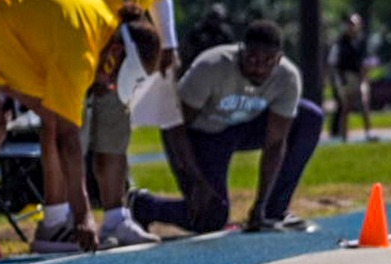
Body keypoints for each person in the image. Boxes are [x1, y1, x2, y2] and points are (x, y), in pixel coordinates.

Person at [0, 0, 159, 264]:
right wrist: (83, 215)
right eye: (114, 77)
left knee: (45, 116)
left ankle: (52, 224)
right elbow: (67, 139)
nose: (109, 85)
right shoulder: (82, 49)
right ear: (115, 53)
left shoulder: (96, 18)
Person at [41, 0, 178, 250]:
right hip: (76, 53)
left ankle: (116, 217)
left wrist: (168, 43)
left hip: (122, 57)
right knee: (67, 136)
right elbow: (56, 7)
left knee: (114, 136)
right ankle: (57, 222)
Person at [131, 20, 323, 234]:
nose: (259, 68)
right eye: (252, 59)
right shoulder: (212, 66)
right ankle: (142, 205)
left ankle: (272, 212)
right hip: (202, 135)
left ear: (279, 59)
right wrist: (196, 181)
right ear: (241, 51)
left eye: (268, 61)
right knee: (210, 216)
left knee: (309, 117)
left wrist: (260, 203)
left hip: (244, 127)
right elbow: (174, 126)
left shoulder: (287, 77)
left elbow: (276, 144)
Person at [328, 13, 375, 143]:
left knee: (364, 104)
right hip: (346, 76)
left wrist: (366, 74)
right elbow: (334, 63)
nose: (351, 27)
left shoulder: (362, 42)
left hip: (360, 75)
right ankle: (344, 136)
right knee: (346, 106)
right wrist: (339, 80)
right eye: (350, 24)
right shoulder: (341, 42)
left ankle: (369, 132)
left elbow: (368, 60)